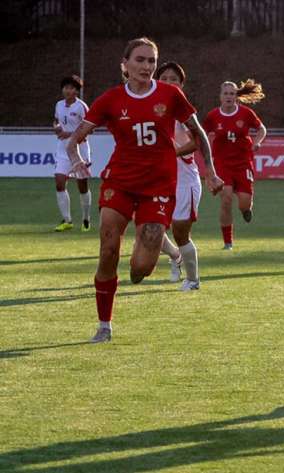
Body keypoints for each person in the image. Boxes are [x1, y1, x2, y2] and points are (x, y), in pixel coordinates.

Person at [66, 37, 223, 343]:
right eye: (140, 60)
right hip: (120, 182)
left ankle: (145, 256)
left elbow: (199, 133)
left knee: (140, 269)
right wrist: (77, 160)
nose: (146, 66)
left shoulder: (170, 94)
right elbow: (76, 138)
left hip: (158, 187)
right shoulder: (111, 99)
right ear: (125, 65)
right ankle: (104, 324)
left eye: (151, 61)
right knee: (108, 247)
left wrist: (212, 172)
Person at [155, 61, 203, 291]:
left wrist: (172, 151)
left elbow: (198, 141)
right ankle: (176, 257)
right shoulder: (152, 109)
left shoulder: (185, 114)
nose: (169, 82)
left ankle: (193, 280)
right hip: (158, 180)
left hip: (184, 181)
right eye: (164, 78)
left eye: (174, 79)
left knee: (180, 232)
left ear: (181, 84)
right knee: (150, 229)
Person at [203, 80, 267, 250]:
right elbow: (201, 135)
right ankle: (228, 242)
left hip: (243, 163)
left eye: (232, 93)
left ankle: (246, 209)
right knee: (226, 199)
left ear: (236, 96)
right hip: (222, 164)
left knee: (244, 203)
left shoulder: (246, 114)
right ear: (220, 96)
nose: (229, 96)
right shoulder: (212, 116)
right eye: (226, 93)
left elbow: (262, 129)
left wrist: (257, 142)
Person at [52, 75, 92, 232]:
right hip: (62, 149)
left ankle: (86, 219)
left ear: (77, 91)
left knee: (82, 186)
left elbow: (90, 129)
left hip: (79, 150)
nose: (68, 90)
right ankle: (67, 220)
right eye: (66, 87)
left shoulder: (81, 107)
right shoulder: (59, 105)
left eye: (72, 88)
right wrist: (56, 127)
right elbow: (55, 120)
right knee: (59, 182)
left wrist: (70, 134)